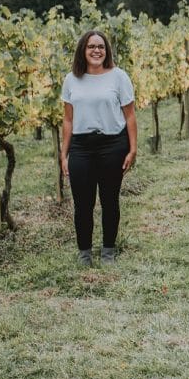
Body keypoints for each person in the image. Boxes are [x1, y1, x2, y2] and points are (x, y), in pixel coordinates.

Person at [60, 30, 137, 266]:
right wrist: (64, 154)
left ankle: (108, 251)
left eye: (101, 46)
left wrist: (133, 149)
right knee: (82, 203)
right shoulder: (71, 79)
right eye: (91, 46)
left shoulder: (119, 77)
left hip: (112, 145)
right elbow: (68, 120)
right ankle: (84, 252)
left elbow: (130, 116)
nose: (96, 50)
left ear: (107, 51)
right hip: (81, 147)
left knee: (109, 200)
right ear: (83, 50)